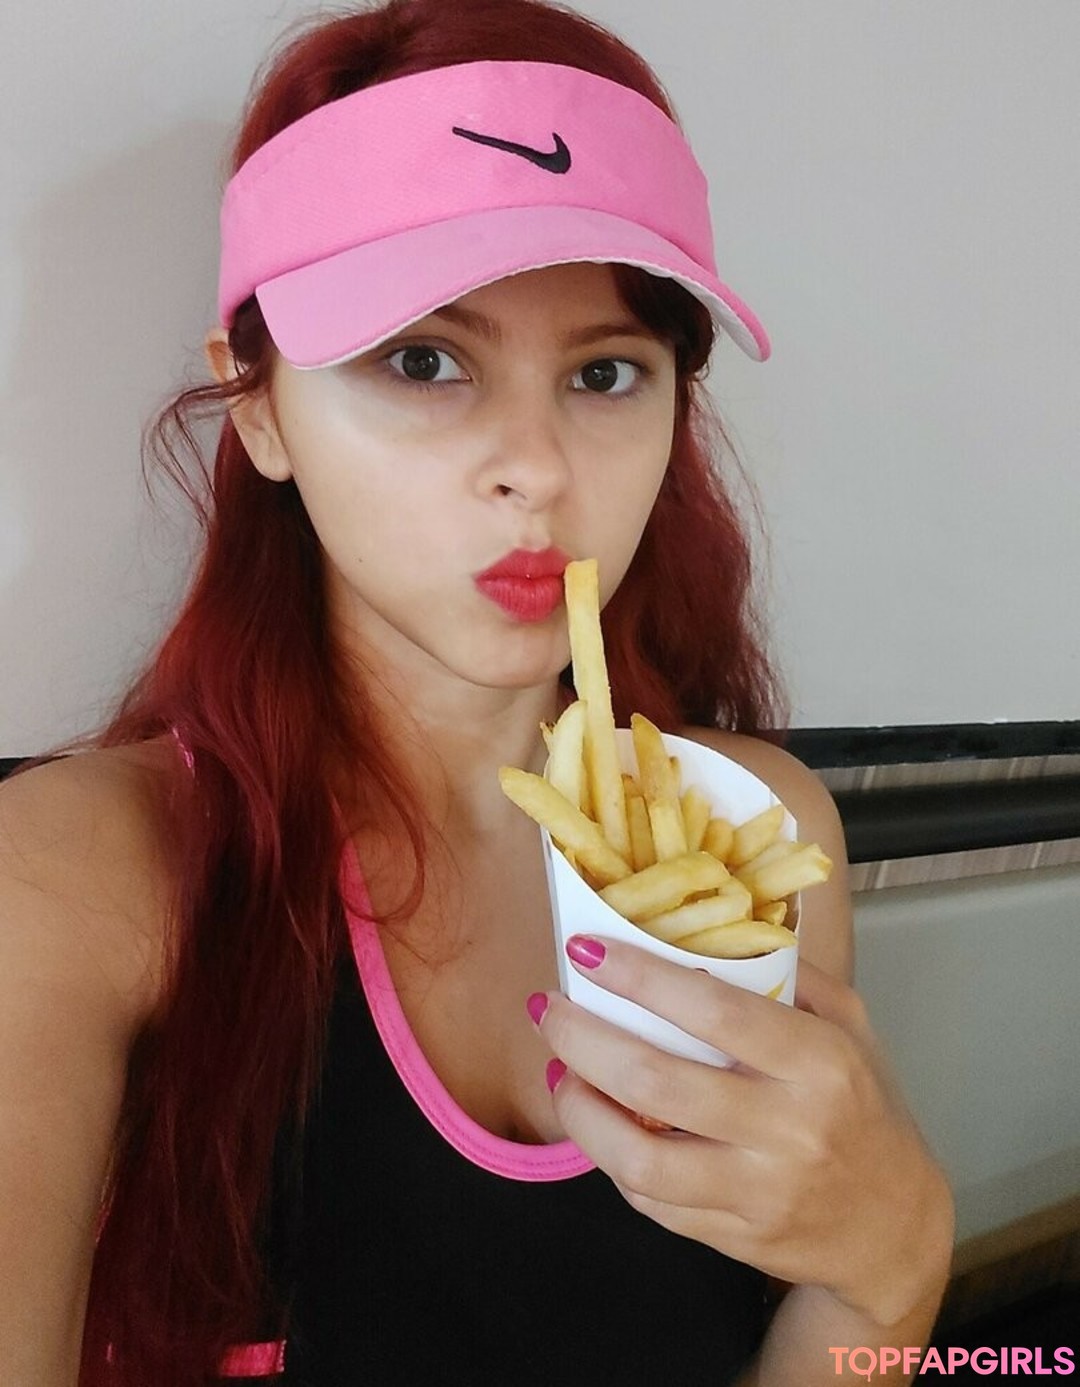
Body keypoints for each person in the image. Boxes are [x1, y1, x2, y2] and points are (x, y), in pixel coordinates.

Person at [0, 0, 954, 1383]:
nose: (537, 470)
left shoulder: (755, 835)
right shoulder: (79, 881)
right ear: (258, 405)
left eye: (605, 373)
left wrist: (894, 1271)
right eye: (424, 361)